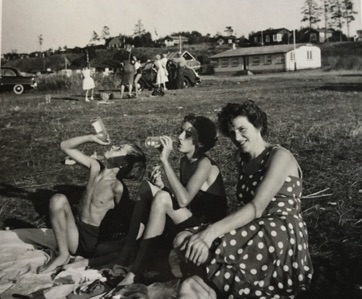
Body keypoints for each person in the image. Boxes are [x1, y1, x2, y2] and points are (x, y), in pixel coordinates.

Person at [174, 101, 313, 299]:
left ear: (258, 126)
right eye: (232, 133)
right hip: (253, 224)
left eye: (242, 129)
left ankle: (219, 288)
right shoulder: (242, 158)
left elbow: (257, 206)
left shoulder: (279, 156)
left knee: (200, 245)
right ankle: (213, 289)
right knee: (182, 240)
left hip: (278, 231)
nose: (237, 137)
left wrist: (210, 233)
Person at [116, 114, 227, 286]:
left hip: (209, 231)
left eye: (188, 134)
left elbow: (182, 201)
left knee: (162, 198)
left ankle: (135, 272)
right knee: (147, 187)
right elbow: (183, 201)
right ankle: (128, 250)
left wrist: (165, 161)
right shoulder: (185, 162)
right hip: (192, 220)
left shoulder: (205, 164)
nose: (179, 137)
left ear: (201, 143)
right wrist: (163, 186)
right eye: (181, 132)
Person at [39, 132, 146, 273]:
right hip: (76, 235)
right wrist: (91, 138)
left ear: (122, 163)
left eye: (119, 148)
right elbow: (65, 146)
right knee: (57, 200)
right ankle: (63, 254)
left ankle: (87, 262)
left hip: (96, 243)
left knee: (127, 248)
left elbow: (127, 220)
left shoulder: (117, 187)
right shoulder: (95, 167)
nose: (114, 146)